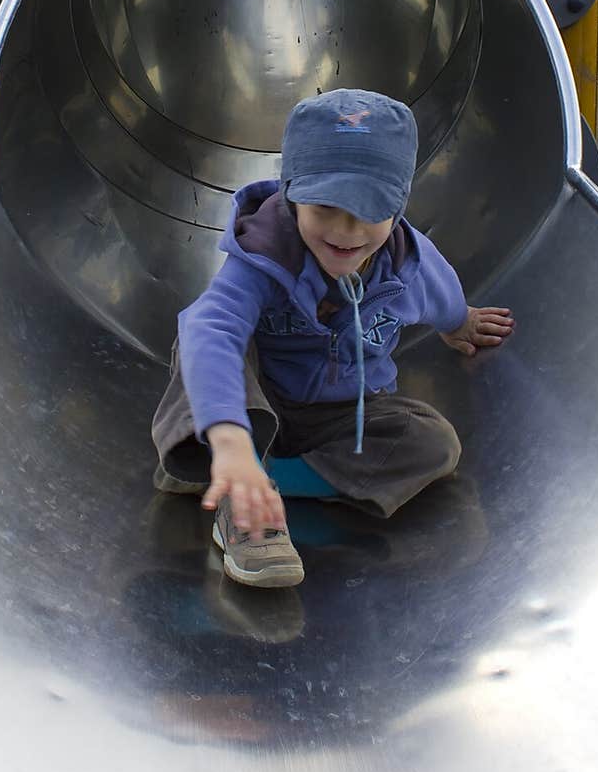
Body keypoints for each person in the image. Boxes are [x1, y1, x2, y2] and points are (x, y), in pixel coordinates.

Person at [152, 88, 514, 589]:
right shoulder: (264, 257)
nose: (346, 230)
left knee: (434, 444)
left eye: (369, 210)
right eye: (325, 206)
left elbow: (444, 296)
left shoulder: (409, 264)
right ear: (293, 191)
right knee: (204, 341)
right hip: (259, 405)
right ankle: (243, 492)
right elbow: (212, 326)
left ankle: (260, 480)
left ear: (399, 204)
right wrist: (233, 439)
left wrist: (460, 325)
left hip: (341, 418)